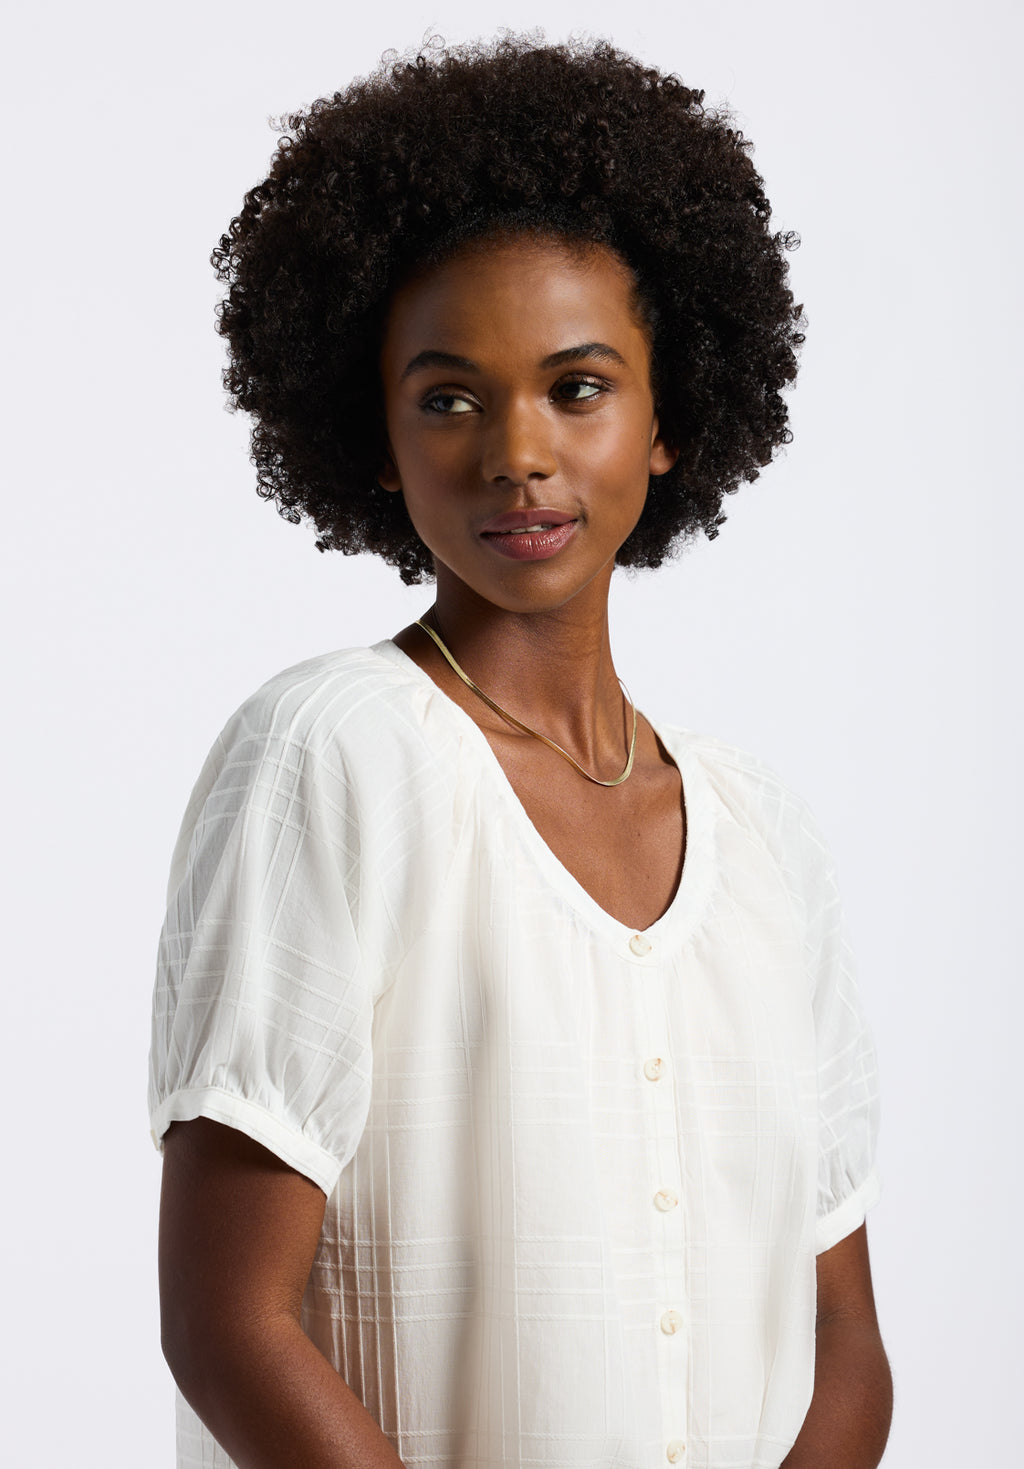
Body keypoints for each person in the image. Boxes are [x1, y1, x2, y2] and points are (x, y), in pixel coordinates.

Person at [149, 34, 892, 1469]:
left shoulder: (764, 837)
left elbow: (843, 1333)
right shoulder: (329, 758)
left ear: (670, 417)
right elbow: (230, 1321)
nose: (518, 453)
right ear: (375, 439)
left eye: (579, 386)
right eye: (449, 397)